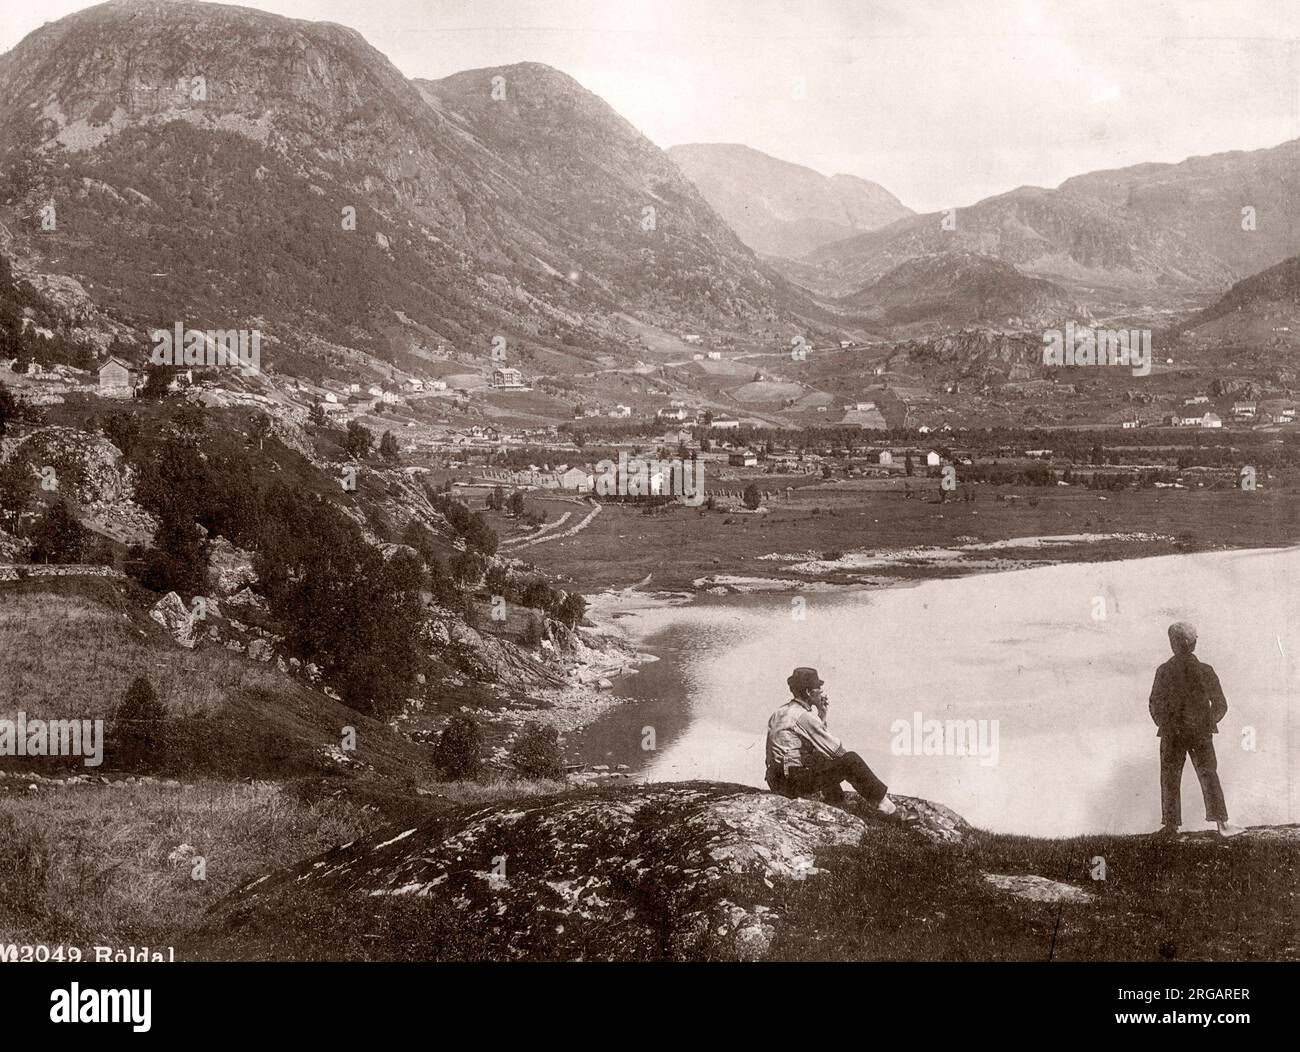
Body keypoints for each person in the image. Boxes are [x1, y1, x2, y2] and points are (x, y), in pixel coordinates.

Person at [1148, 622, 1242, 838]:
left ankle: (1171, 827)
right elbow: (1221, 705)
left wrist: (1165, 724)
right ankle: (1222, 825)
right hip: (1199, 733)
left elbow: (1154, 704)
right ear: (1193, 643)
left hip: (1172, 734)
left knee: (1170, 778)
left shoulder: (1163, 670)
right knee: (1209, 775)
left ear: (1174, 643)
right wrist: (1206, 723)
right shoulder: (1205, 670)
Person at [765, 666, 897, 814]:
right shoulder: (804, 716)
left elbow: (813, 742)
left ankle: (836, 800)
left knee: (819, 757)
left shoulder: (780, 712)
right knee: (850, 760)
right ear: (809, 692)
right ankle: (886, 806)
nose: (822, 693)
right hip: (792, 782)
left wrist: (822, 714)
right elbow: (836, 750)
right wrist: (855, 770)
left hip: (776, 779)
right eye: (819, 689)